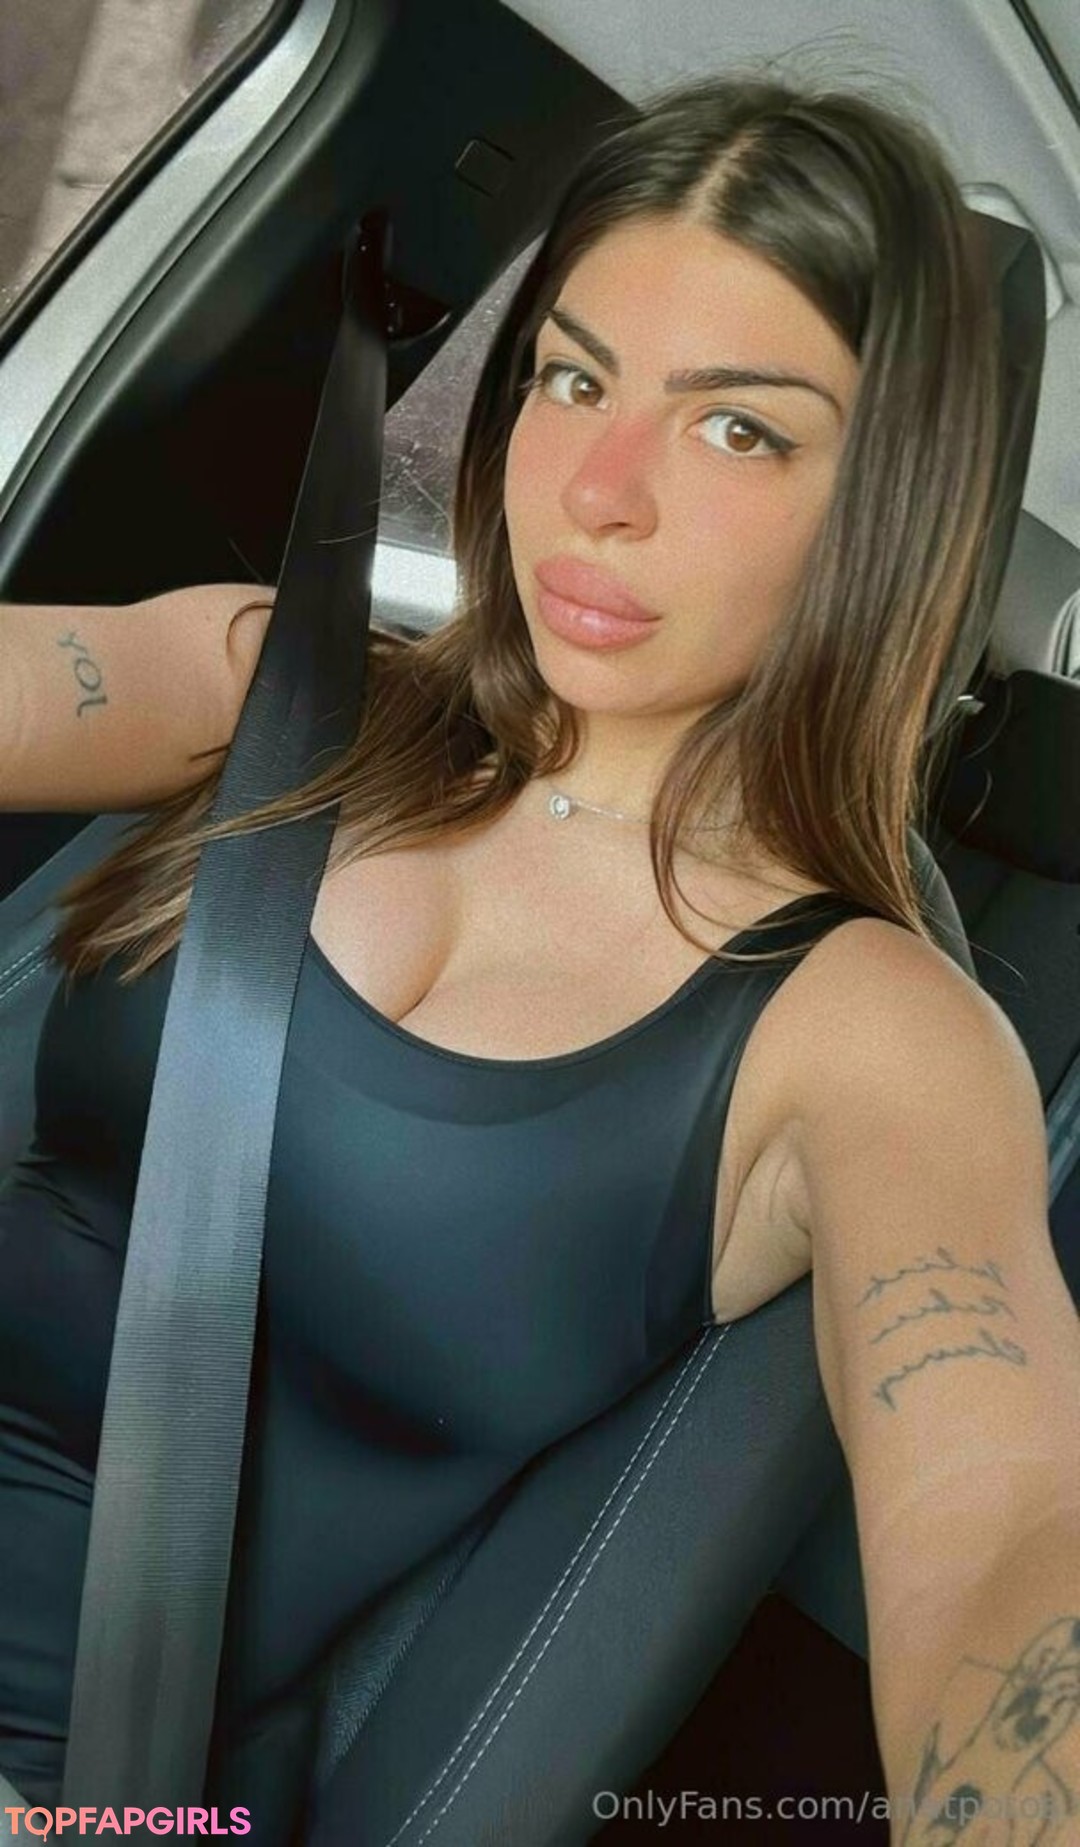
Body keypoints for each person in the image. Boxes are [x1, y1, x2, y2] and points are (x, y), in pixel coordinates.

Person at [2, 70, 1079, 1844]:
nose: (597, 490)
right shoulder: (282, 689)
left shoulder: (875, 1040)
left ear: (890, 510)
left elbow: (1004, 1531)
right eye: (575, 380)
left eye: (738, 430)